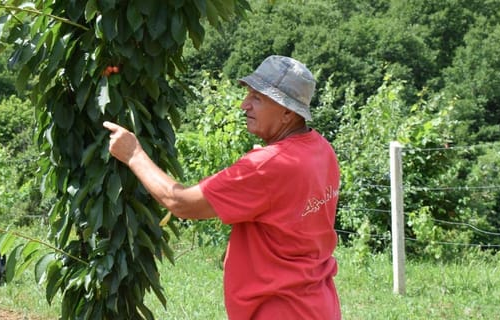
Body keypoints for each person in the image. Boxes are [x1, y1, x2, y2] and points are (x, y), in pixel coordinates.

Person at [103, 55, 341, 319]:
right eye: (248, 94)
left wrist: (134, 154)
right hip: (317, 304)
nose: (244, 105)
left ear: (288, 112)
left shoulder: (267, 166)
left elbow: (181, 203)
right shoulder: (320, 150)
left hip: (279, 309)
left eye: (257, 98)